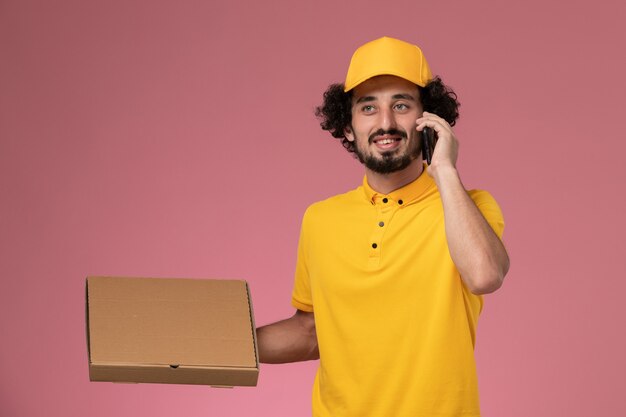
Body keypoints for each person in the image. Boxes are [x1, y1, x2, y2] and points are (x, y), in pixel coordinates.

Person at [257, 36, 510, 417]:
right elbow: (312, 332)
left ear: (429, 120)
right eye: (368, 107)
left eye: (402, 105)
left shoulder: (469, 206)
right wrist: (219, 343)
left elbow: (484, 275)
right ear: (348, 126)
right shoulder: (320, 219)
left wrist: (444, 170)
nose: (386, 123)